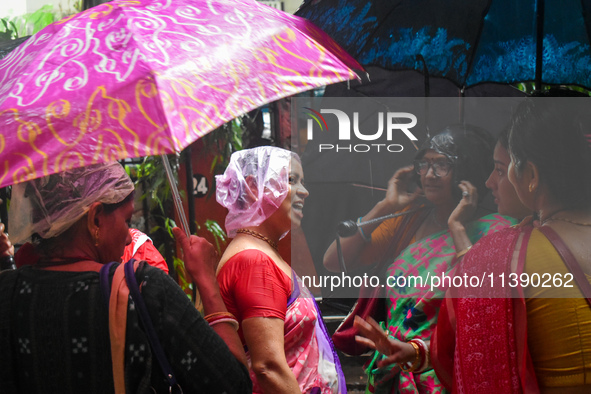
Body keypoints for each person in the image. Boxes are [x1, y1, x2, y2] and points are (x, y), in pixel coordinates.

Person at [0, 162, 252, 393]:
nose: (130, 237)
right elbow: (233, 386)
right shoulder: (143, 288)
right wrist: (207, 281)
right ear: (95, 219)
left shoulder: (7, 291)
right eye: (127, 220)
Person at [324, 125, 518, 393]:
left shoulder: (496, 229)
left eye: (442, 165)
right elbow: (333, 260)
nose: (429, 174)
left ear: (467, 170)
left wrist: (457, 226)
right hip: (389, 370)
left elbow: (484, 305)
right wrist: (387, 205)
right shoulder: (409, 219)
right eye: (424, 164)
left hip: (445, 374)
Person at [429, 95, 591, 393]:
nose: (491, 181)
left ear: (531, 175)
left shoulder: (502, 254)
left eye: (504, 168)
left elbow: (447, 350)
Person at [215, 146, 345, 394]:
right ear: (254, 188)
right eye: (291, 180)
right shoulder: (255, 262)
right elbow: (269, 368)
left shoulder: (263, 251)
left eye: (302, 182)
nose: (304, 192)